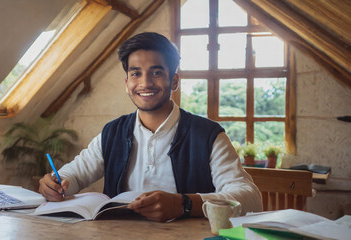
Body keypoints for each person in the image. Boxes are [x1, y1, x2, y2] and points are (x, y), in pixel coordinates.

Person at [39, 32, 262, 222]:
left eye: (156, 73)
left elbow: (250, 198)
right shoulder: (112, 132)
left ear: (174, 81)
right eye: (136, 73)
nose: (145, 83)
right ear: (127, 84)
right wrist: (54, 183)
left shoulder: (208, 135)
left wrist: (184, 204)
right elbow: (74, 174)